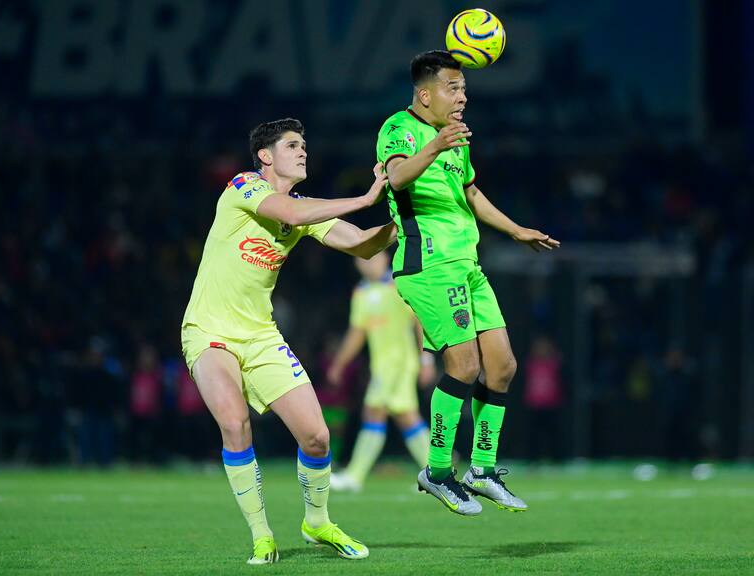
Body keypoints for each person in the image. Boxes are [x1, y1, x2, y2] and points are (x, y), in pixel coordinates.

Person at [181, 118, 395, 564]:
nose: (303, 152)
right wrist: (366, 196)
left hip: (261, 336)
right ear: (265, 155)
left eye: (304, 145)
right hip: (209, 331)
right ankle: (262, 535)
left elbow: (361, 245)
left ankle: (316, 522)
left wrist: (407, 220)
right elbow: (293, 214)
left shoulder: (300, 206)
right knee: (235, 422)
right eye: (293, 145)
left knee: (317, 437)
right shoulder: (244, 186)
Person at [375, 51, 560, 515]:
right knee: (463, 365)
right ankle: (437, 472)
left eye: (464, 89)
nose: (462, 97)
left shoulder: (456, 139)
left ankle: (481, 469)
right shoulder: (399, 129)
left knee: (502, 367)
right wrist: (436, 144)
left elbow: (470, 192)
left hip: (466, 265)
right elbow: (397, 178)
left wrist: (515, 229)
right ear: (425, 94)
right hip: (428, 264)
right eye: (453, 89)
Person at [326, 251, 436, 492]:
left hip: (400, 362)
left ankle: (354, 476)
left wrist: (426, 359)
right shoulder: (362, 292)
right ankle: (437, 473)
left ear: (385, 259)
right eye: (362, 258)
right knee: (406, 416)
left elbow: (420, 321)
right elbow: (357, 332)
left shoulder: (398, 285)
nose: (367, 263)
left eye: (372, 257)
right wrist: (339, 363)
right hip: (382, 366)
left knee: (373, 411)